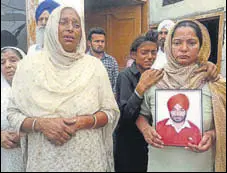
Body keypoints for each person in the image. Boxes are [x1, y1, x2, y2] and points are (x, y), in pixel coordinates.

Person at [7, 6, 119, 172]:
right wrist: (42, 124)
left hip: (88, 162)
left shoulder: (94, 67)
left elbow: (110, 112)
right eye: (63, 22)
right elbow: (13, 114)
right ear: (52, 27)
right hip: (44, 163)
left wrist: (82, 122)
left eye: (76, 24)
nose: (70, 29)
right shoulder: (28, 67)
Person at [136, 19, 226, 172]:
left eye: (191, 43)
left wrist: (213, 134)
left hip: (199, 164)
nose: (184, 49)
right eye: (177, 43)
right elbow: (141, 115)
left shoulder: (214, 82)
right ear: (168, 45)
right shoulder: (154, 78)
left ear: (201, 46)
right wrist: (145, 129)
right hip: (161, 163)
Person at [114, 31, 164, 172]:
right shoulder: (125, 76)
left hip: (150, 139)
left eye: (153, 52)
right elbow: (125, 115)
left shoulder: (156, 75)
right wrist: (140, 88)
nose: (150, 57)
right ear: (133, 55)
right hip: (128, 140)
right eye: (144, 52)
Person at [1, 46, 26, 172]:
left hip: (31, 155)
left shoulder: (36, 91)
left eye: (13, 60)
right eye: (2, 62)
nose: (8, 65)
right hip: (4, 157)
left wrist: (25, 136)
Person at [87, 27, 119, 95]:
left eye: (102, 41)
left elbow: (116, 84)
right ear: (89, 43)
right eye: (97, 41)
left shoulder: (111, 61)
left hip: (107, 100)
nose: (100, 44)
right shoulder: (83, 61)